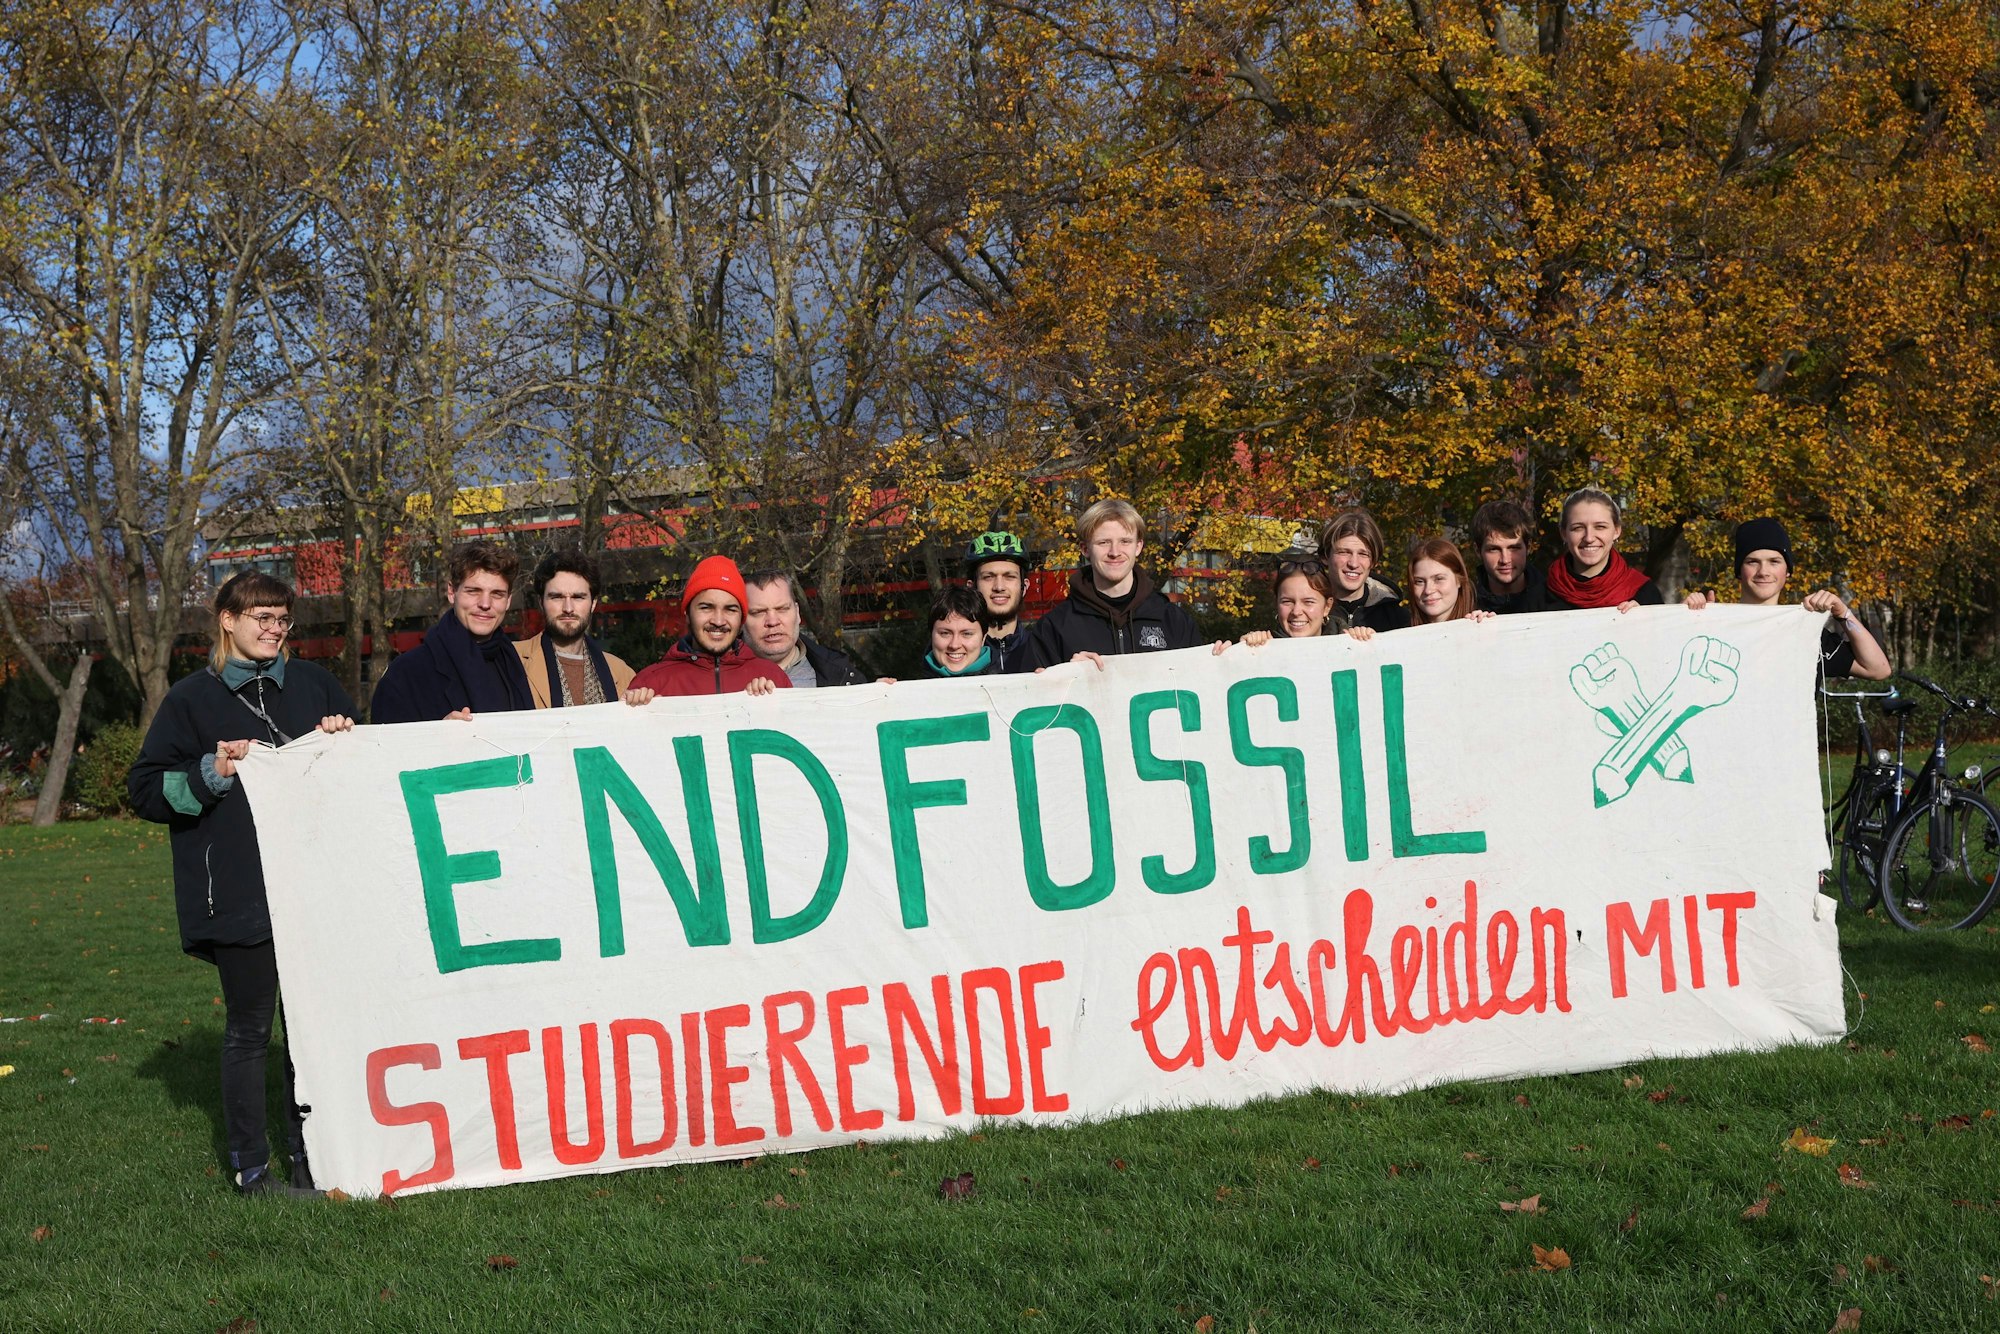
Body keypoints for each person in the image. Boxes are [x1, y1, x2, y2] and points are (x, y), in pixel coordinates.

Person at [126, 572, 357, 1197]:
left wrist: (345, 742)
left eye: (282, 617)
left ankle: (312, 1158)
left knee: (309, 1032)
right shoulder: (190, 700)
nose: (273, 627)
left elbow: (360, 779)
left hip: (316, 887)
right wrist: (212, 770)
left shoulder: (315, 685)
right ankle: (252, 1171)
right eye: (260, 615)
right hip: (238, 889)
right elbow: (145, 790)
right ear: (226, 619)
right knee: (252, 1029)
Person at [1684, 518, 1891, 680]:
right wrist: (1683, 620)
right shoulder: (1715, 626)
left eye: (1774, 561)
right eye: (1752, 562)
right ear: (1739, 570)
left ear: (1787, 571)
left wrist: (1843, 614)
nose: (1763, 571)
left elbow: (1877, 669)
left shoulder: (1806, 634)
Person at [1020, 499, 1206, 667]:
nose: (1114, 552)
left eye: (1125, 541)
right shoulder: (1053, 628)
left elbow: (1203, 685)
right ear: (1085, 549)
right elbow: (1031, 695)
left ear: (1138, 547)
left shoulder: (1174, 620)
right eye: (1103, 542)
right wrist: (1065, 676)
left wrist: (1226, 661)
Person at [369, 541, 534, 722]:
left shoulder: (519, 665)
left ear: (508, 600)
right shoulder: (406, 673)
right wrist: (437, 738)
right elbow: (383, 746)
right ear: (451, 592)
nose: (485, 604)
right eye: (473, 591)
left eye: (497, 594)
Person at [625, 556, 789, 698]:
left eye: (730, 609)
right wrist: (635, 712)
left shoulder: (772, 678)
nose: (718, 621)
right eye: (706, 607)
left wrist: (773, 708)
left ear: (741, 619)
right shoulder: (650, 683)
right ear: (688, 614)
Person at [515, 548, 636, 708]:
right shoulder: (512, 660)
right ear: (541, 602)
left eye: (578, 597)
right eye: (557, 597)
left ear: (593, 603)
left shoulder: (621, 672)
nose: (568, 608)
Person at [1542, 487, 1663, 612]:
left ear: (1616, 531)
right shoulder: (1540, 595)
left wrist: (1647, 622)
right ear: (1564, 534)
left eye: (1600, 527)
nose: (1589, 538)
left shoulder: (1644, 593)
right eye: (1578, 528)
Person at [742, 570, 870, 687]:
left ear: (797, 613)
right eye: (758, 612)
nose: (773, 621)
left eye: (782, 609)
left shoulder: (842, 676)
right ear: (741, 621)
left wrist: (878, 696)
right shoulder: (723, 682)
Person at [1237, 548, 1380, 647]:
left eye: (1308, 602)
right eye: (1287, 601)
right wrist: (1232, 656)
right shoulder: (1261, 651)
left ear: (1327, 606)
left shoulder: (1351, 645)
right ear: (1276, 603)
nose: (1296, 611)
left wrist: (1372, 646)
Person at [1316, 508, 1406, 632]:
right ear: (1325, 556)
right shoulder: (1306, 611)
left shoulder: (1397, 618)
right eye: (1344, 552)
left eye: (1363, 554)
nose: (1353, 563)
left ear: (1373, 562)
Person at [964, 531, 1038, 673]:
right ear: (971, 587)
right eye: (988, 577)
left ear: (1024, 586)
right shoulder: (954, 651)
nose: (999, 587)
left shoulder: (1044, 646)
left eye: (1009, 576)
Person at [1469, 499, 1550, 614]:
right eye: (1494, 549)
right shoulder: (1465, 605)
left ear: (1529, 547)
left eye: (1514, 548)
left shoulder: (1553, 600)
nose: (1505, 560)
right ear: (1478, 550)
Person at [1407, 539, 1495, 626]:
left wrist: (1488, 629)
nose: (1428, 590)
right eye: (1419, 581)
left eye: (1439, 579)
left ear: (1459, 580)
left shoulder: (1478, 625)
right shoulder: (1400, 634)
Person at [918, 586, 996, 678]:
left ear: (983, 638)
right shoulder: (908, 685)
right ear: (931, 635)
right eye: (945, 633)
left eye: (966, 634)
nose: (954, 645)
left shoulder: (1008, 683)